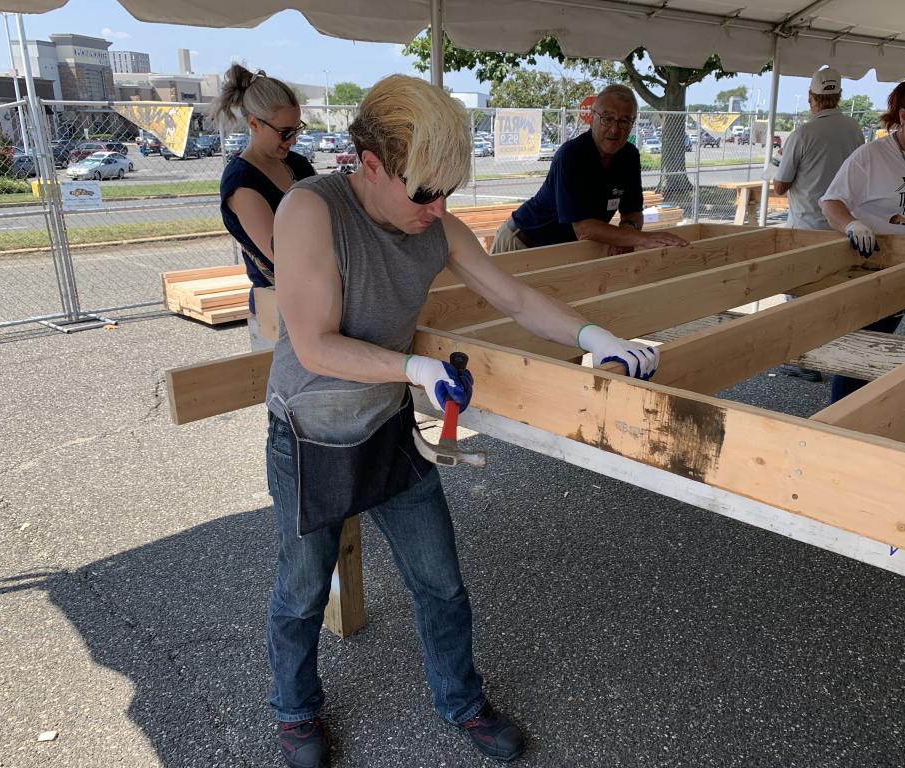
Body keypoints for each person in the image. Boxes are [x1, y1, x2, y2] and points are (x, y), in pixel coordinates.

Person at [266, 74, 663, 768]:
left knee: (441, 582)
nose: (438, 206)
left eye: (449, 190)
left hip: (385, 423)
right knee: (302, 591)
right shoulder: (310, 211)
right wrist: (413, 369)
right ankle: (295, 711)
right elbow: (313, 345)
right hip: (310, 429)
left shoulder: (434, 224)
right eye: (424, 191)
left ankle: (461, 700)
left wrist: (594, 336)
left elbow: (513, 295)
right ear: (371, 164)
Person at [821, 77, 905, 402]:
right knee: (860, 355)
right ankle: (840, 426)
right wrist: (852, 226)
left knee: (876, 351)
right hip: (870, 268)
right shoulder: (871, 157)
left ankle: (856, 417)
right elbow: (831, 202)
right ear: (904, 115)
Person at [490, 84, 688, 254]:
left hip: (564, 249)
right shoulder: (572, 155)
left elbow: (633, 211)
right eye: (607, 118)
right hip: (523, 242)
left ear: (632, 124)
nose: (614, 129)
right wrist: (638, 239)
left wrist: (628, 232)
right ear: (592, 118)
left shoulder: (629, 156)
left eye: (624, 121)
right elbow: (584, 229)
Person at [213, 64, 315, 350]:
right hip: (278, 310)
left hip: (315, 299)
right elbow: (281, 255)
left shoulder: (297, 164)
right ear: (254, 123)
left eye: (296, 130)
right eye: (284, 132)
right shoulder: (242, 181)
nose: (292, 140)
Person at [772, 67, 865, 382]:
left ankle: (806, 361)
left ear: (812, 99)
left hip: (806, 227)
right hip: (842, 226)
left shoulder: (802, 134)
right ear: (838, 96)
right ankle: (833, 352)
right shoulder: (855, 130)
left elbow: (780, 186)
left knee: (800, 294)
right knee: (833, 294)